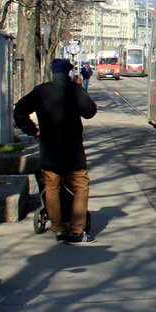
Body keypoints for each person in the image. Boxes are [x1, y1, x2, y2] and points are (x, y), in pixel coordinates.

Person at [13, 58, 98, 243]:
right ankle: (76, 231)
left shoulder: (41, 91)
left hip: (50, 150)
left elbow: (19, 110)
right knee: (80, 187)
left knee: (51, 188)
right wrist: (79, 88)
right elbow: (90, 111)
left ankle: (58, 229)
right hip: (72, 151)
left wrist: (33, 131)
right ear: (68, 73)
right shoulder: (74, 90)